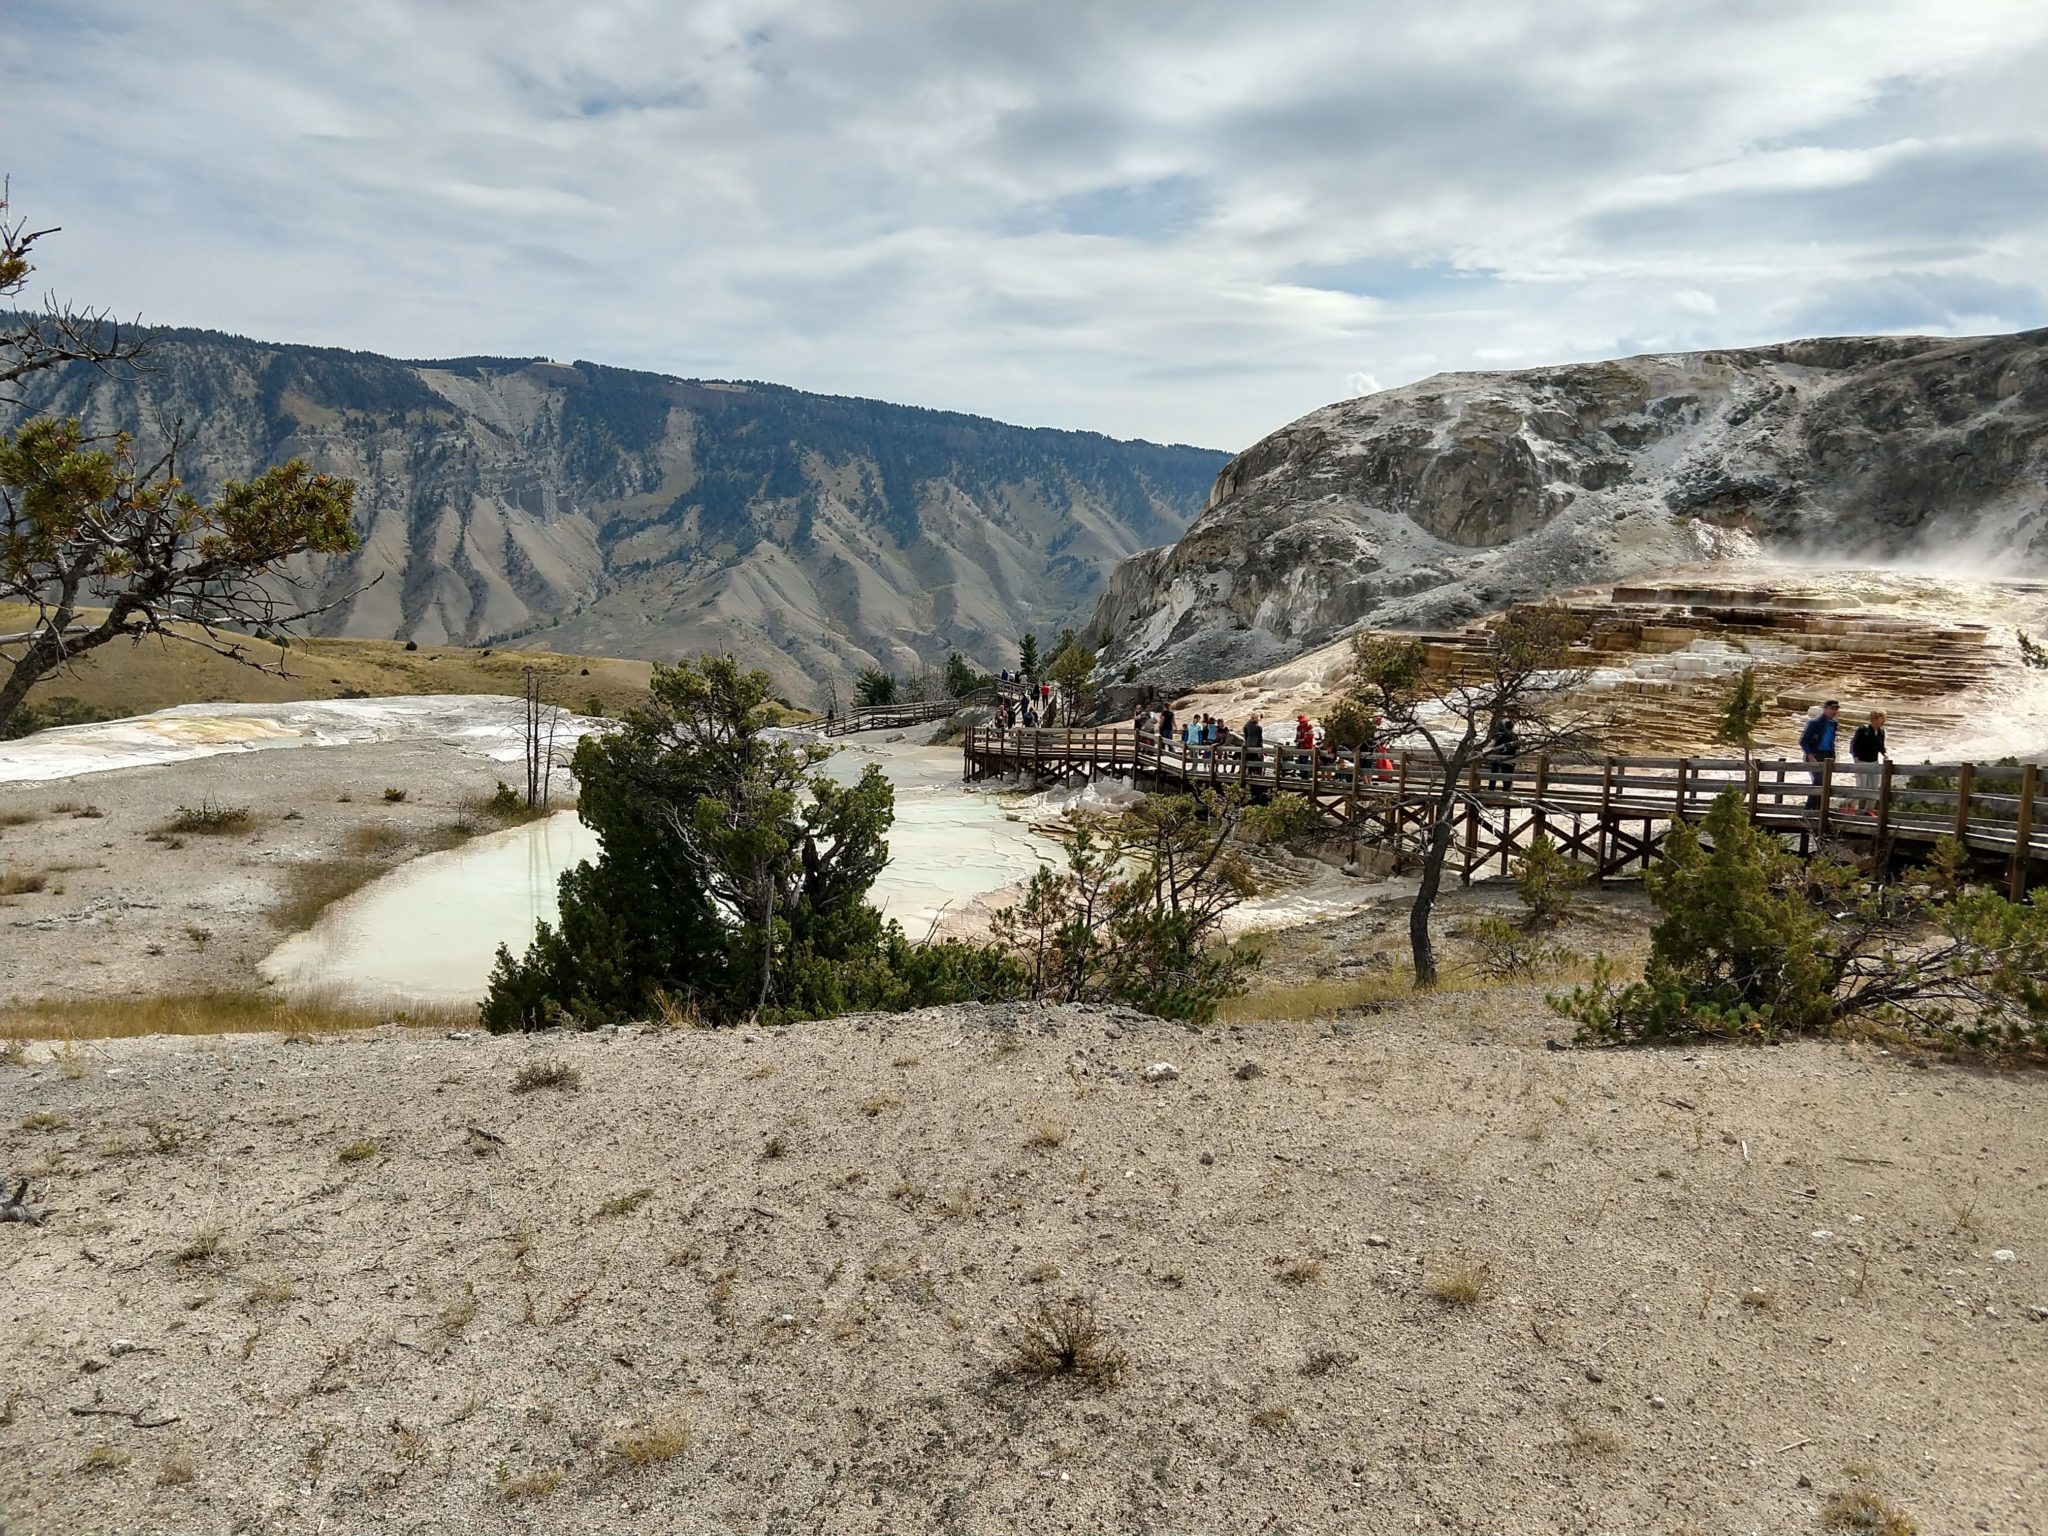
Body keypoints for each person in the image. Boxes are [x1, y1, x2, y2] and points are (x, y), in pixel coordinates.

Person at [1799, 699, 1841, 811]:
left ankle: (1819, 808)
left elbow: (1832, 741)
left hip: (1827, 755)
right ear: (1825, 709)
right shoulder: (1815, 722)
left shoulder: (1834, 723)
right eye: (1831, 708)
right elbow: (1803, 741)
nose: (1834, 711)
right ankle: (1810, 809)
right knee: (1818, 781)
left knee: (1824, 782)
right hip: (1815, 754)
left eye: (1836, 709)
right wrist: (1810, 756)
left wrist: (1833, 756)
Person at [1849, 710, 1889, 817]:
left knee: (1874, 787)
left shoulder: (1881, 732)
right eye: (1882, 718)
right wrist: (1855, 758)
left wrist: (1885, 754)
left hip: (1874, 762)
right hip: (1862, 761)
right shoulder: (1863, 730)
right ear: (1875, 719)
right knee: (1862, 786)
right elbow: (1854, 745)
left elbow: (1881, 746)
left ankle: (1868, 810)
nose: (1884, 721)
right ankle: (1849, 804)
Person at [1483, 716, 1518, 795]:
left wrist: (1485, 750)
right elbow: (1517, 747)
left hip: (1498, 757)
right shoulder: (1515, 736)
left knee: (1494, 774)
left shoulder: (1499, 735)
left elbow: (1491, 745)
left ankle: (1491, 790)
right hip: (1511, 758)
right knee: (1508, 776)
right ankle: (1507, 791)